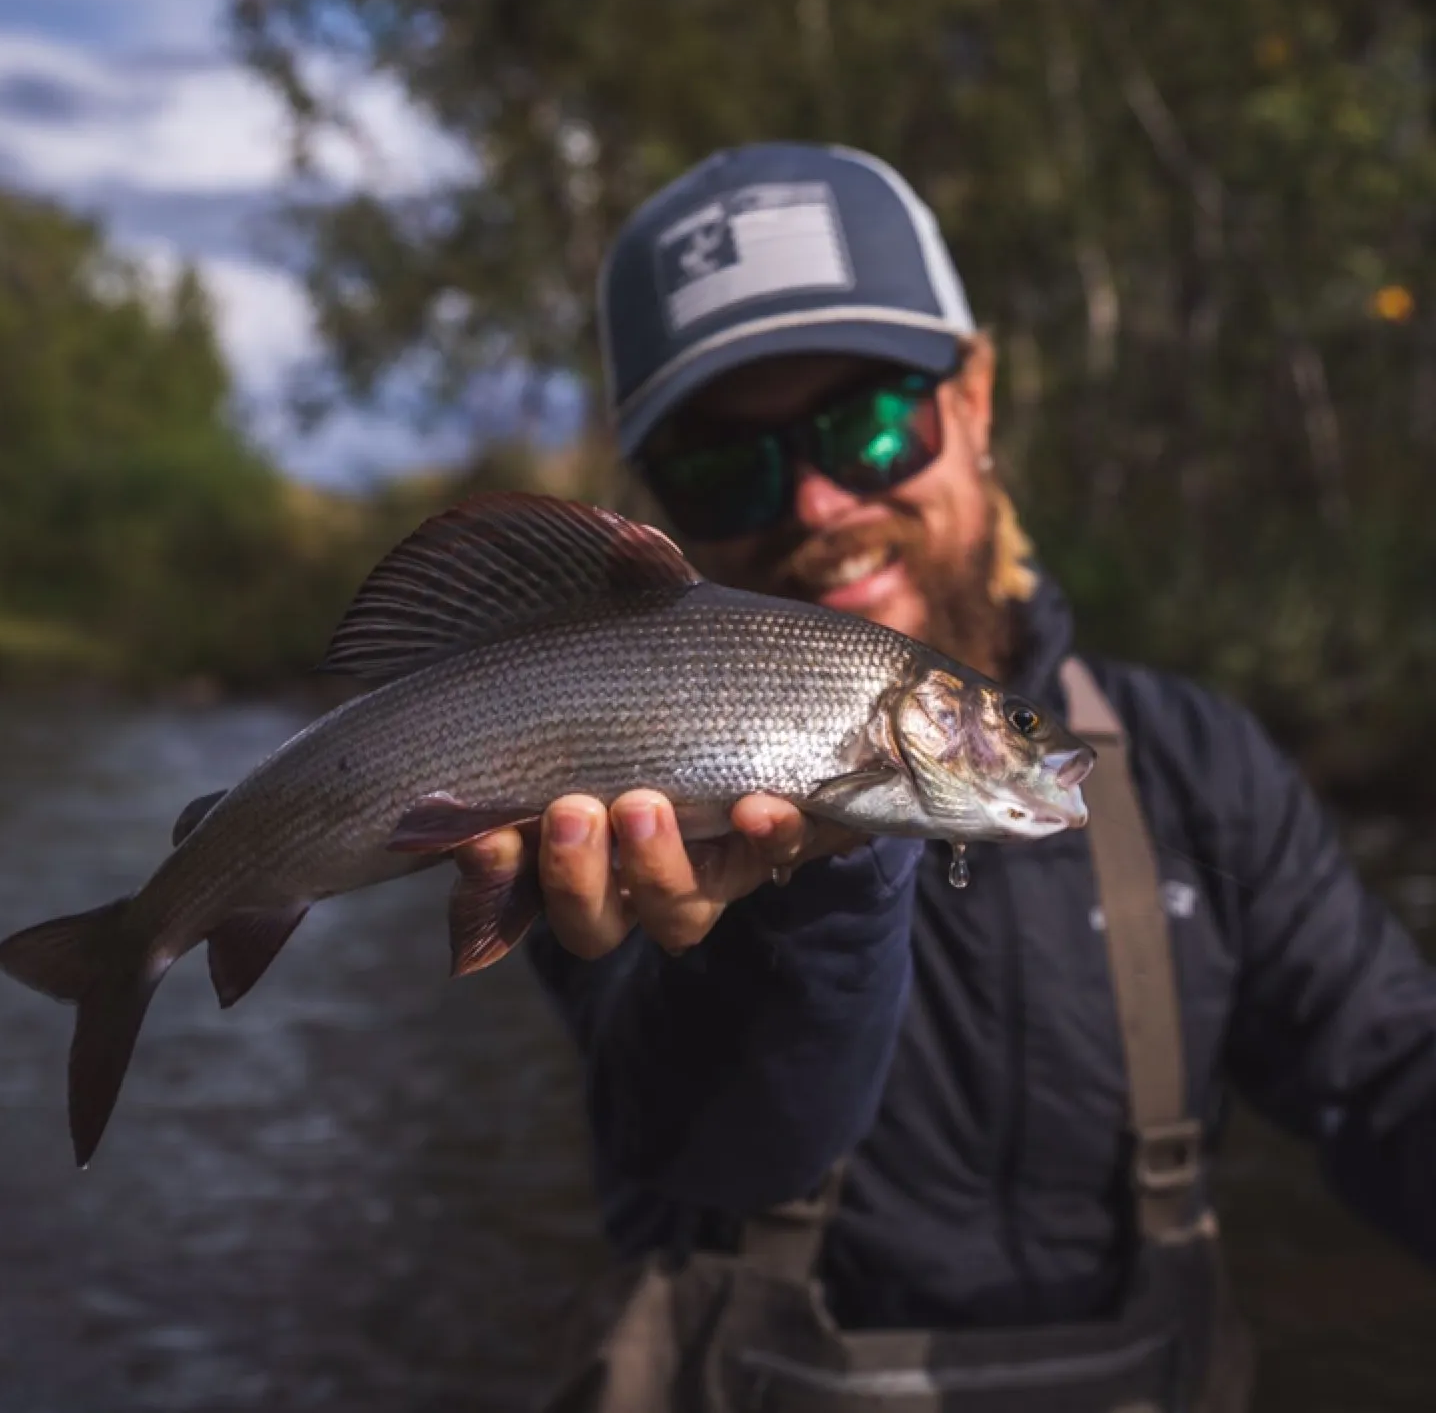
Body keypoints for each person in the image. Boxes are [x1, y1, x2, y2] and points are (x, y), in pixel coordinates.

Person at [453, 143, 1436, 1412]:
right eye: (722, 466)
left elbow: (1388, 1067)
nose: (815, 501)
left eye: (868, 425)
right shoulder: (596, 782)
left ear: (972, 402)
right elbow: (710, 1155)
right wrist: (826, 882)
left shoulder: (1199, 766)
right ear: (658, 502)